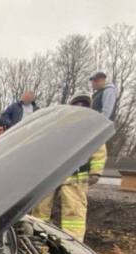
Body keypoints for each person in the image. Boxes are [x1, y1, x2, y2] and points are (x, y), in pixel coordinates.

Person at [31, 94, 107, 241]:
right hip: (53, 173)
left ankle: (73, 243)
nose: (80, 107)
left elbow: (99, 150)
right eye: (77, 104)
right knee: (40, 208)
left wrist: (95, 172)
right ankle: (37, 237)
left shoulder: (92, 127)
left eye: (83, 105)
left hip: (76, 176)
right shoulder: (60, 124)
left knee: (74, 211)